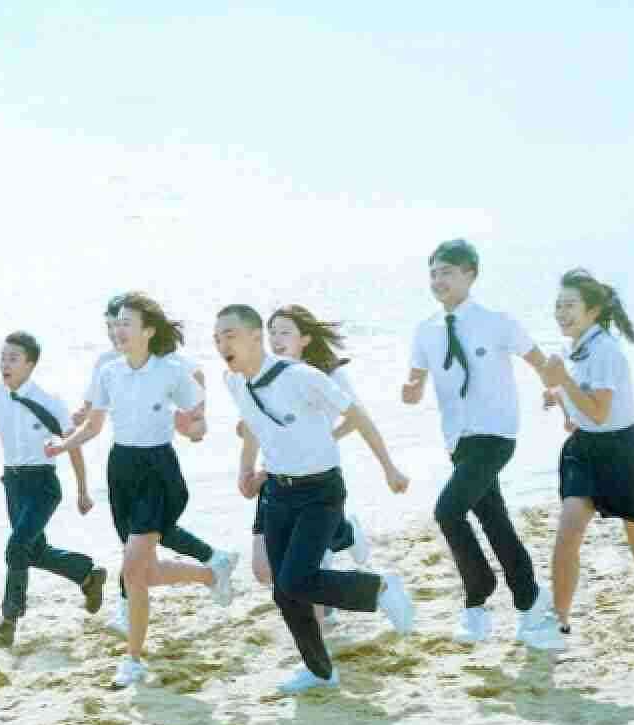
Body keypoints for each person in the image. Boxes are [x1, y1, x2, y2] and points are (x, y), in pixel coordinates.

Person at [215, 305, 417, 694]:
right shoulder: (234, 381)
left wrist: (390, 468)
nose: (222, 344)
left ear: (256, 337)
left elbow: (359, 416)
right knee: (284, 591)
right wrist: (245, 470)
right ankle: (321, 672)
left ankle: (380, 588)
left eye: (230, 335)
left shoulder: (301, 376)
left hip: (320, 492)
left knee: (298, 579)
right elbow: (253, 424)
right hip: (277, 491)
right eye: (217, 338)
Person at [48, 291, 242, 689]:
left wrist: (193, 428)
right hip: (121, 470)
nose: (119, 330)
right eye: (116, 323)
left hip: (158, 472)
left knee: (132, 569)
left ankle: (132, 660)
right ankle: (211, 574)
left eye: (127, 324)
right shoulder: (109, 372)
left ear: (149, 331)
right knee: (144, 573)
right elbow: (94, 426)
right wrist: (63, 446)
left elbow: (197, 422)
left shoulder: (170, 371)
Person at [520, 269, 634, 662]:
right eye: (558, 306)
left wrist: (564, 383)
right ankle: (558, 623)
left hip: (625, 454)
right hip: (584, 451)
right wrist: (559, 398)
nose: (561, 313)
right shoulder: (573, 348)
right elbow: (579, 410)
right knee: (567, 534)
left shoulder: (606, 351)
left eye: (570, 305)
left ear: (593, 310)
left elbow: (601, 413)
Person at [397, 239, 554, 645]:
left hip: (496, 434)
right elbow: (416, 379)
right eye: (433, 273)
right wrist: (411, 390)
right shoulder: (426, 330)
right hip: (458, 440)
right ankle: (530, 599)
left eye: (447, 272)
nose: (438, 280)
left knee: (448, 510)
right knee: (494, 520)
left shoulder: (497, 321)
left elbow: (539, 360)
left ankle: (477, 595)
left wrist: (555, 391)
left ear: (470, 274)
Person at [0, 331, 108, 648]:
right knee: (33, 551)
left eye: (13, 358)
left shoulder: (49, 400)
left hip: (43, 485)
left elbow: (72, 444)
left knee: (17, 547)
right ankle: (87, 574)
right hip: (13, 483)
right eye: (2, 358)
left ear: (30, 364)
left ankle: (9, 621)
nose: (5, 364)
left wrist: (83, 490)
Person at [255, 304, 410, 629]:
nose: (276, 340)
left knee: (303, 569)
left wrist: (388, 468)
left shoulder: (326, 376)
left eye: (285, 332)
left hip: (318, 479)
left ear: (305, 338)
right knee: (269, 568)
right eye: (272, 333)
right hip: (276, 479)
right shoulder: (264, 376)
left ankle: (336, 613)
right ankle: (345, 535)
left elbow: (359, 418)